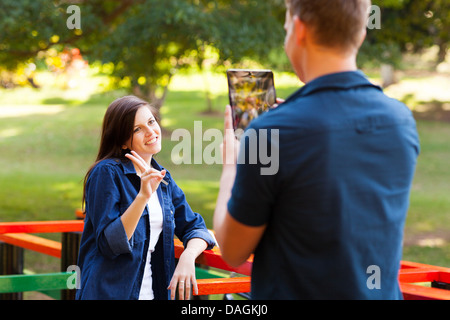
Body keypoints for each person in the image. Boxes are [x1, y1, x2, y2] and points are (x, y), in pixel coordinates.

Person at [214, 0, 420, 299]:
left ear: (298, 29)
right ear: (360, 33)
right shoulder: (401, 121)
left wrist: (231, 165)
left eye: (286, 28)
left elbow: (232, 251)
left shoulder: (270, 134)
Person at [76, 95, 215, 300]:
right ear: (123, 142)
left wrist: (188, 256)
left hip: (152, 293)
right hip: (107, 293)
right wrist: (142, 197)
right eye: (137, 129)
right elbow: (110, 244)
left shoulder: (163, 179)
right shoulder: (106, 173)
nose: (151, 132)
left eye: (151, 122)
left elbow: (196, 227)